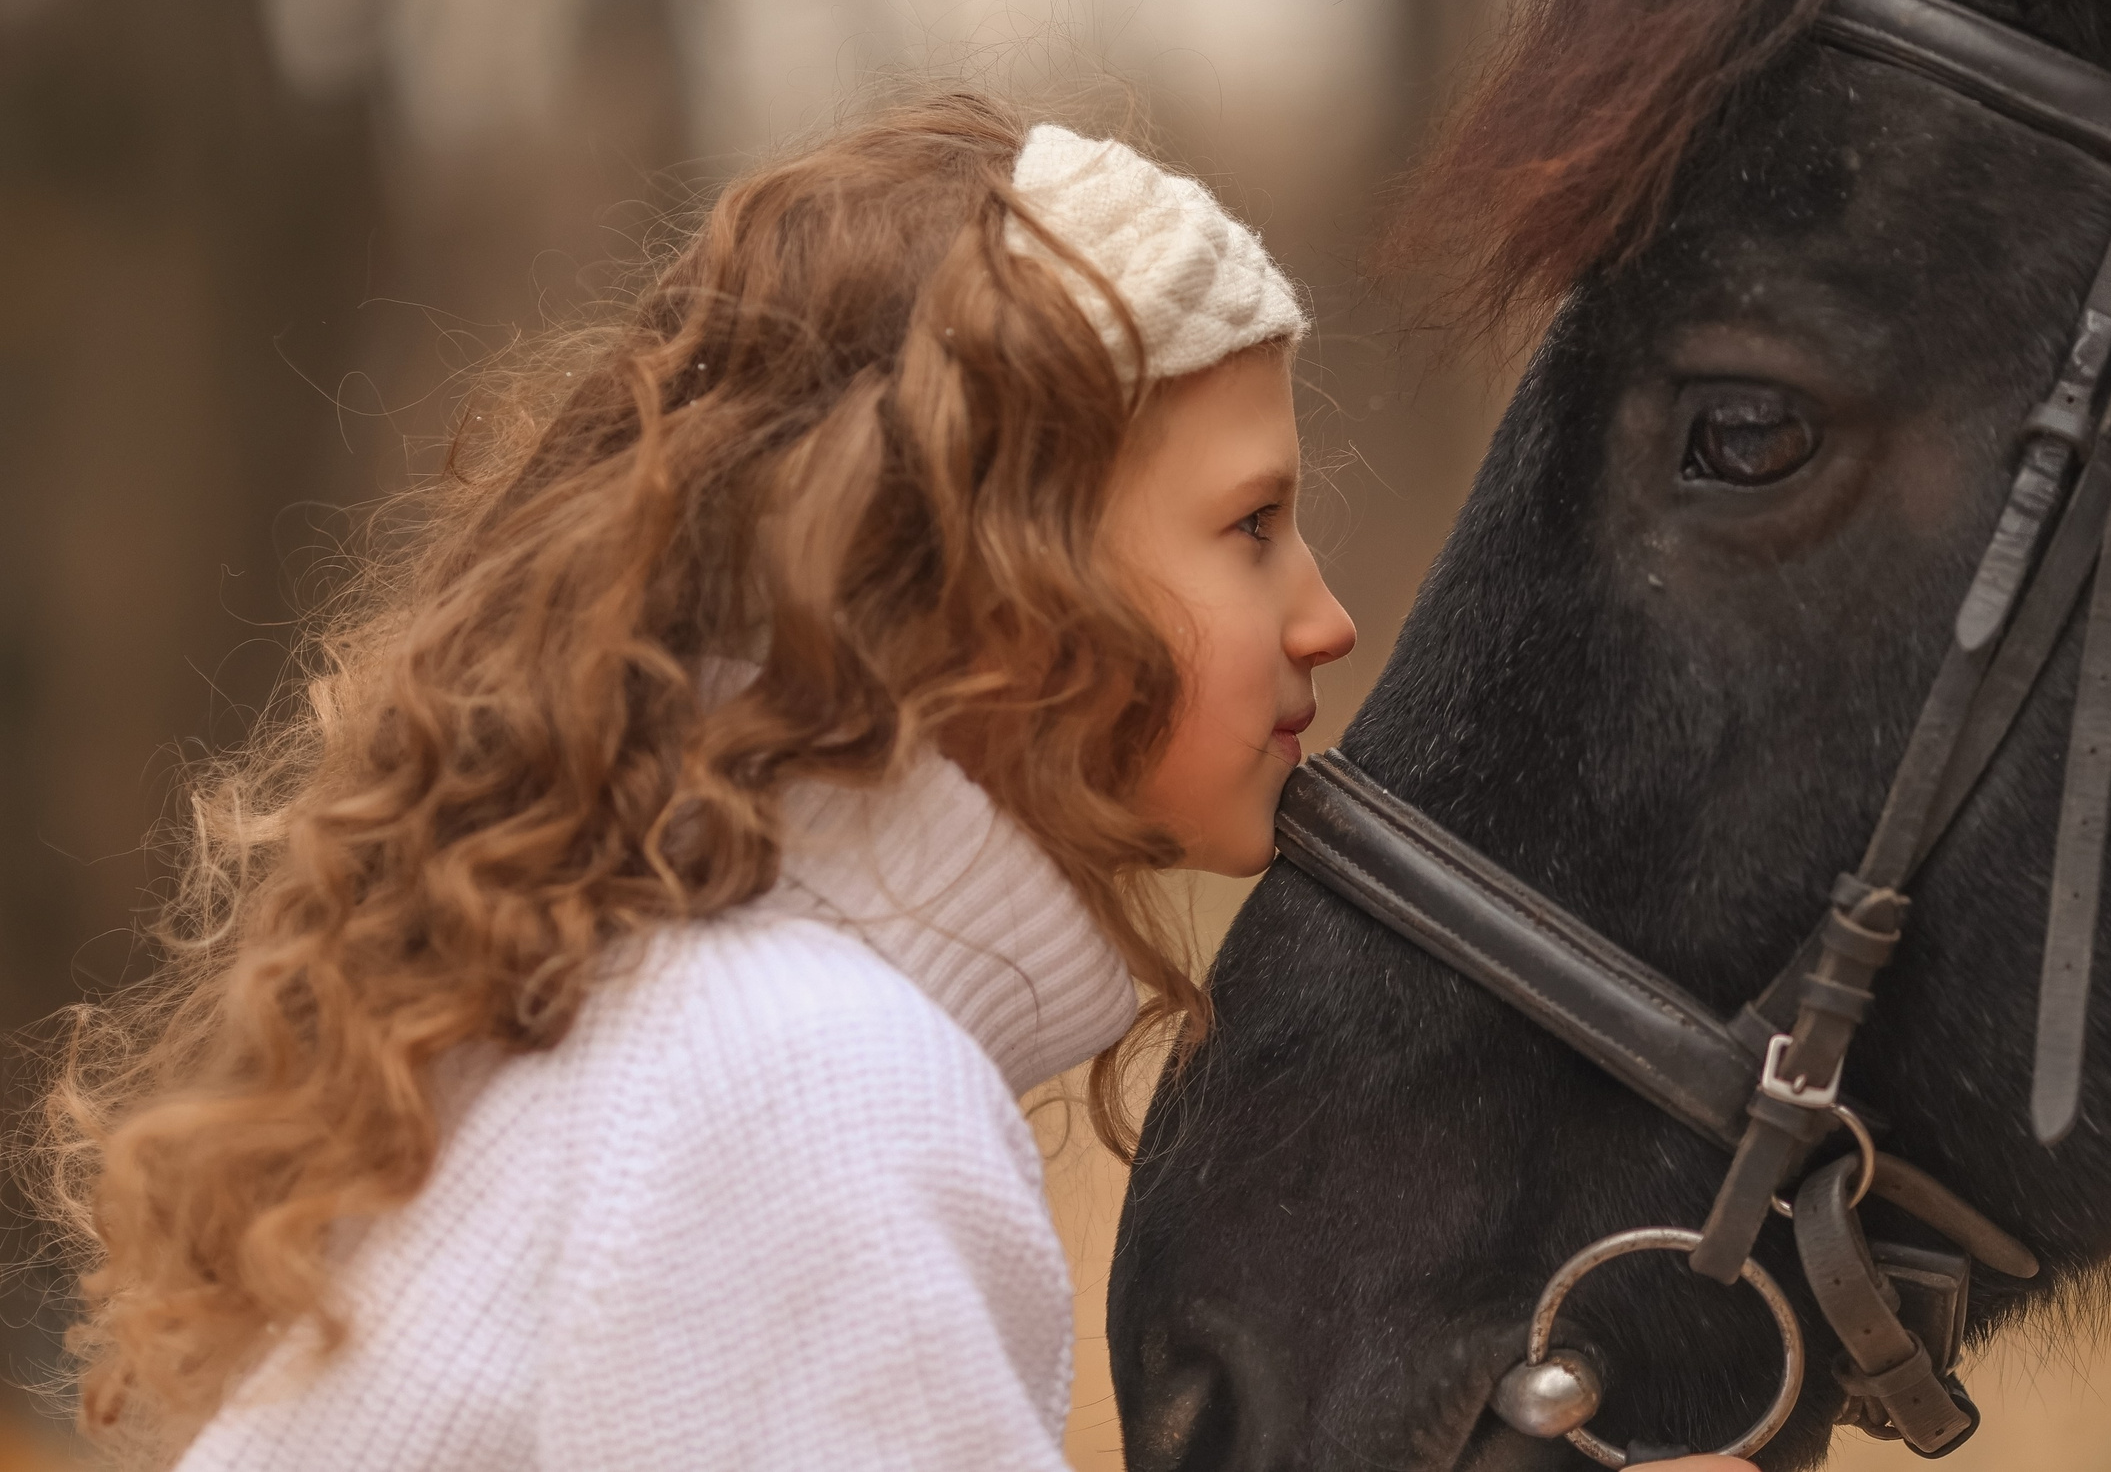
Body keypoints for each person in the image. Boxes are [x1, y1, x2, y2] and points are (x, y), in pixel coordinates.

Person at [40, 95, 1358, 1470]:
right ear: (983, 588)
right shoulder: (804, 1087)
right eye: (1251, 525)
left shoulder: (667, 1015)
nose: (1324, 616)